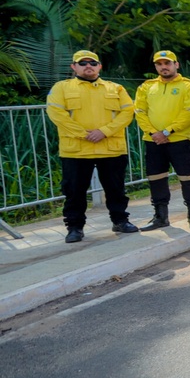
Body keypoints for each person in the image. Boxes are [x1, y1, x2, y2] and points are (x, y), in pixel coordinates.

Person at [45, 49, 139, 243]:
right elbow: (56, 113)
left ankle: (120, 221)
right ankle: (74, 228)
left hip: (111, 148)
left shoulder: (116, 88)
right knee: (74, 192)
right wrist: (83, 133)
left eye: (93, 63)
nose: (88, 66)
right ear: (74, 67)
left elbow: (128, 112)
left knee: (116, 189)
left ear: (99, 66)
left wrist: (104, 131)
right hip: (77, 150)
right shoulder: (61, 88)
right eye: (83, 63)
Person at [135, 49, 190, 231]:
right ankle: (160, 216)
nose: (163, 67)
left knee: (188, 178)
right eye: (159, 64)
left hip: (180, 139)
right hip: (153, 140)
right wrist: (153, 133)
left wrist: (166, 131)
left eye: (167, 63)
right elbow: (140, 112)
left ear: (176, 65)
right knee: (156, 178)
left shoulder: (188, 86)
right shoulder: (146, 87)